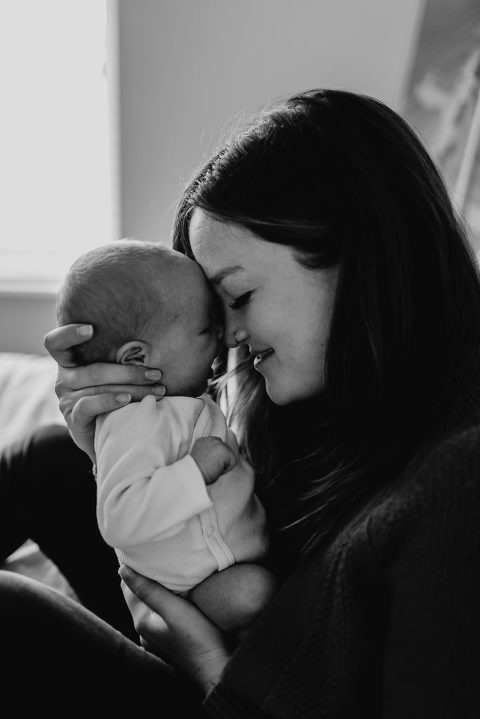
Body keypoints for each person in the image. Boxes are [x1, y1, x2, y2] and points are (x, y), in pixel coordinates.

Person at [1, 87, 480, 717]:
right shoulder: (323, 405)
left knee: (13, 614)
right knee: (46, 457)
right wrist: (116, 443)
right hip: (226, 637)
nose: (227, 337)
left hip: (237, 698)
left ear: (361, 253)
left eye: (242, 297)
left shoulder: (458, 481)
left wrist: (209, 670)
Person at [55, 239, 274, 635]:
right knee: (250, 593)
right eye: (206, 328)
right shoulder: (135, 418)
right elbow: (119, 519)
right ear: (137, 358)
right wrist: (195, 471)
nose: (224, 338)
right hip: (192, 586)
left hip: (219, 564)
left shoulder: (185, 400)